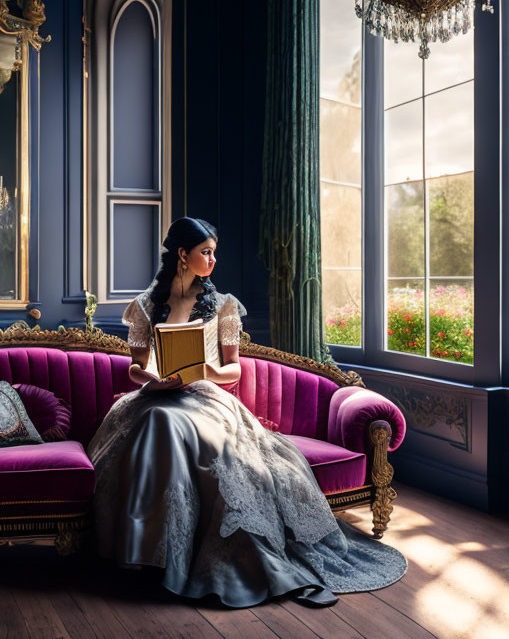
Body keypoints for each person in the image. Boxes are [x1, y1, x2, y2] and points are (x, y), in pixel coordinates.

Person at [86, 217, 406, 608]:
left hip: (204, 395)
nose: (213, 259)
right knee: (158, 420)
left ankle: (212, 560)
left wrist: (203, 370)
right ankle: (146, 556)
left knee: (170, 424)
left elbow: (234, 368)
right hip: (155, 396)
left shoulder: (224, 306)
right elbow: (134, 367)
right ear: (183, 255)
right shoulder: (145, 306)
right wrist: (153, 379)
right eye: (206, 252)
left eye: (215, 252)